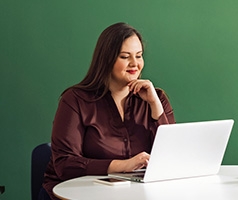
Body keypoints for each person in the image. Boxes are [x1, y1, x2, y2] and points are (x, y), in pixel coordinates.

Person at [40, 22, 175, 200]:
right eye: (125, 57)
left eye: (139, 56)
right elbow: (65, 164)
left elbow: (172, 159)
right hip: (78, 193)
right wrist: (123, 165)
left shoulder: (155, 97)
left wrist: (155, 105)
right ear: (107, 59)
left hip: (136, 193)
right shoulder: (75, 100)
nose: (135, 64)